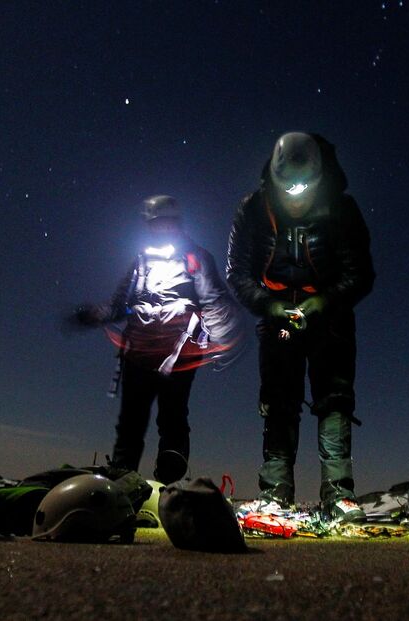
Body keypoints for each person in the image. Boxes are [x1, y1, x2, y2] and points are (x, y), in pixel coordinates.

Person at [226, 132, 375, 521]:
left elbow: (361, 273)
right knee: (279, 398)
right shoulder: (252, 209)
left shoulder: (343, 210)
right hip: (276, 316)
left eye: (304, 186)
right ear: (272, 179)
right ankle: (275, 492)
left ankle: (340, 495)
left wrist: (323, 302)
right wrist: (269, 305)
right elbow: (237, 273)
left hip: (331, 317)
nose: (295, 195)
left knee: (335, 398)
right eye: (286, 186)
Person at [74, 195, 243, 483]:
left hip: (179, 355)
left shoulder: (196, 258)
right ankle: (123, 480)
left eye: (167, 223)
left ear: (176, 223)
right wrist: (94, 314)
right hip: (137, 353)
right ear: (149, 225)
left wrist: (223, 340)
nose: (162, 229)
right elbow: (119, 304)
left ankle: (169, 485)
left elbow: (214, 300)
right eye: (156, 224)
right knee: (131, 421)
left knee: (173, 418)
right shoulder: (140, 261)